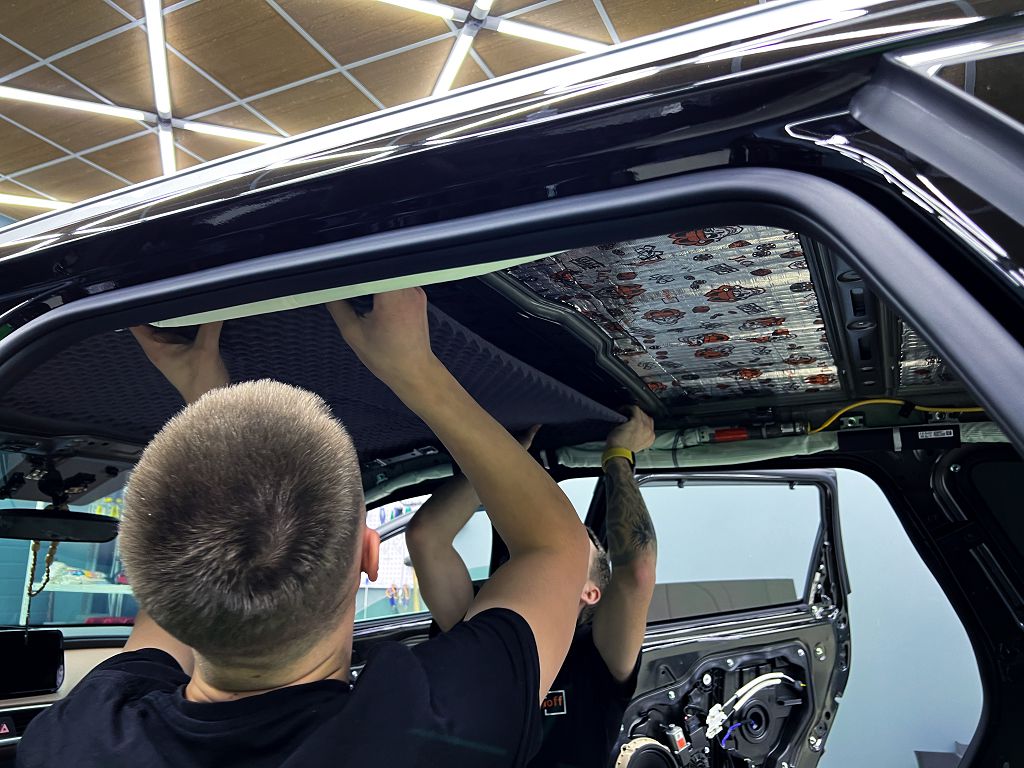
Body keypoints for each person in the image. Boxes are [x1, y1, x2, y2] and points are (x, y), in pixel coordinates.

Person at [16, 289, 591, 768]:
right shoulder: (78, 735)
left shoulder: (74, 742)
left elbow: (552, 548)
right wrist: (415, 372)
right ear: (369, 554)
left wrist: (418, 374)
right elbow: (555, 548)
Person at [406, 407, 658, 768]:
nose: (554, 549)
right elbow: (426, 537)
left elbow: (636, 571)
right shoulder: (491, 633)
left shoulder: (597, 657)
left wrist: (619, 456)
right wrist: (503, 457)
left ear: (590, 592)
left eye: (573, 545)